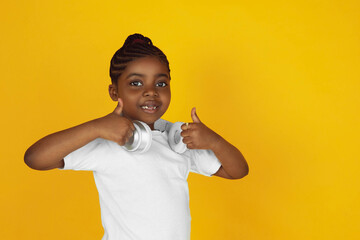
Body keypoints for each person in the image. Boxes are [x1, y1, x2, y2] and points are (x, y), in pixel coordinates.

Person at [24, 33, 249, 240]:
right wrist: (95, 128)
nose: (151, 91)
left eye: (161, 83)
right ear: (114, 92)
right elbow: (35, 158)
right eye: (136, 83)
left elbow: (237, 171)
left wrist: (215, 142)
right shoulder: (107, 142)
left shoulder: (178, 139)